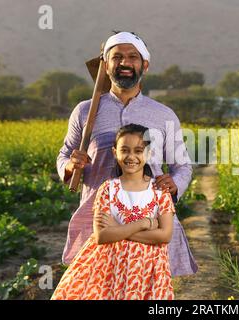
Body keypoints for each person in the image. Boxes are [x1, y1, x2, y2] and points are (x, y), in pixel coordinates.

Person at [57, 31, 197, 276]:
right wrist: (69, 165)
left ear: (144, 65)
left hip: (149, 221)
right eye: (117, 57)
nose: (124, 63)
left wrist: (175, 184)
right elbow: (65, 153)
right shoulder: (85, 111)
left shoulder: (163, 114)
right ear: (105, 64)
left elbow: (182, 165)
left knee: (145, 287)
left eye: (133, 57)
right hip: (99, 222)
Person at [52, 124, 174, 300]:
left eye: (138, 150)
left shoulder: (159, 191)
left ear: (149, 153)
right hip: (109, 269)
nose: (131, 156)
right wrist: (143, 224)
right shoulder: (108, 189)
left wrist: (118, 230)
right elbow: (101, 235)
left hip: (148, 270)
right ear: (114, 152)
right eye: (124, 150)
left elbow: (164, 235)